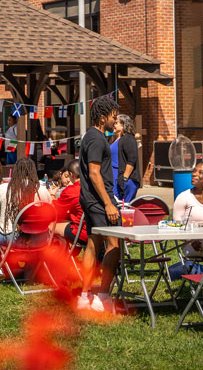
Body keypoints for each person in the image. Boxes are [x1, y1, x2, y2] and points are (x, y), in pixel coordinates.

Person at [78, 95, 121, 312]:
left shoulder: (94, 137)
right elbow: (94, 173)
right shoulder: (95, 139)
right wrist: (108, 203)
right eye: (114, 117)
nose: (116, 121)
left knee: (94, 244)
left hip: (91, 200)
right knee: (114, 245)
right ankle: (103, 295)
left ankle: (85, 296)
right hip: (98, 201)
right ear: (103, 118)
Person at [0, 157, 52, 281]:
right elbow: (50, 207)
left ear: (15, 171)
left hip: (13, 237)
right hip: (39, 238)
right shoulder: (41, 190)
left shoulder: (5, 188)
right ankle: (32, 272)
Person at [53, 159, 87, 248]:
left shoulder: (71, 190)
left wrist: (52, 195)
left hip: (81, 231)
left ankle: (57, 257)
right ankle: (70, 256)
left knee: (50, 226)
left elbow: (55, 209)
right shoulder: (90, 186)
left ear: (71, 175)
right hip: (95, 229)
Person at [113, 114, 141, 203]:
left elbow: (132, 159)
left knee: (124, 208)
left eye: (116, 123)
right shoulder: (115, 139)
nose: (114, 124)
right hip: (115, 178)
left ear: (124, 124)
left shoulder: (128, 138)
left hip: (125, 180)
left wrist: (124, 178)